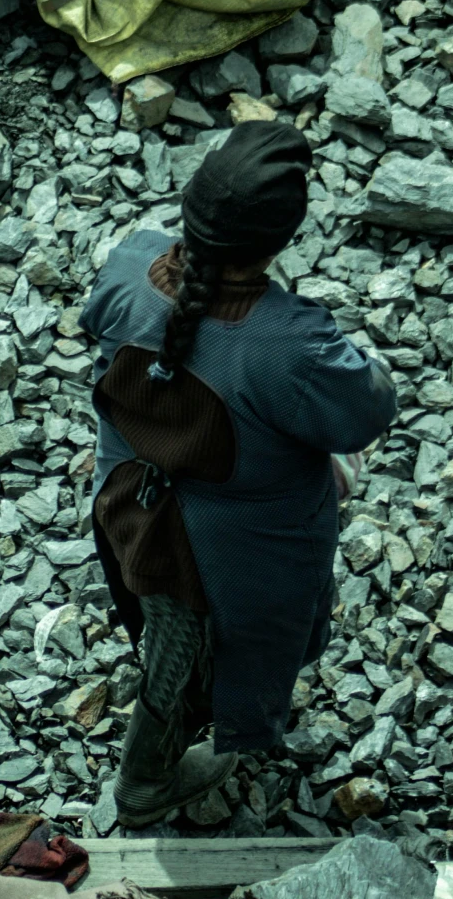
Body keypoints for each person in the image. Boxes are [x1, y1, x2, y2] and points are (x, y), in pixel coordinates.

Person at [79, 121, 397, 827]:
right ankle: (144, 781)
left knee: (165, 629)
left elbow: (107, 331)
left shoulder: (130, 262)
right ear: (278, 242)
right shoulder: (292, 342)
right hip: (226, 553)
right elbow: (364, 413)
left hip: (129, 504)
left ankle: (183, 722)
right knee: (180, 656)